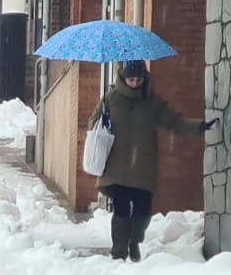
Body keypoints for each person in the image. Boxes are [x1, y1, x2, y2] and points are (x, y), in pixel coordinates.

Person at [89, 59, 218, 262]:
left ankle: (134, 240)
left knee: (143, 212)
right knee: (121, 210)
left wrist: (200, 126)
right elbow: (93, 123)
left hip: (143, 165)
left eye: (138, 79)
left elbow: (175, 122)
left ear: (144, 78)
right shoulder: (110, 99)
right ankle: (119, 251)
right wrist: (103, 121)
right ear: (123, 78)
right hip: (115, 165)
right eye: (130, 79)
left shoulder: (152, 103)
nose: (134, 84)